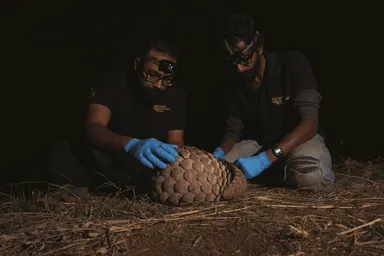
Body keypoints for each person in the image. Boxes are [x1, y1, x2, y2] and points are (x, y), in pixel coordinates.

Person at [212, 12, 335, 191]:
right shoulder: (234, 81)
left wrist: (265, 159)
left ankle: (300, 171)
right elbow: (233, 129)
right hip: (262, 142)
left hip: (300, 139)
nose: (239, 68)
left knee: (309, 177)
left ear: (259, 48)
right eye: (233, 61)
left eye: (244, 59)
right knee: (216, 174)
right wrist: (219, 154)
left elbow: (309, 124)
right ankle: (276, 173)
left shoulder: (292, 63)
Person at [47, 36, 187, 191]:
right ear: (137, 64)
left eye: (166, 79)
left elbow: (176, 142)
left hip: (146, 167)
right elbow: (94, 128)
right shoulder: (111, 83)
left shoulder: (175, 94)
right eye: (152, 75)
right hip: (110, 158)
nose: (159, 85)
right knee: (63, 150)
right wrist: (131, 145)